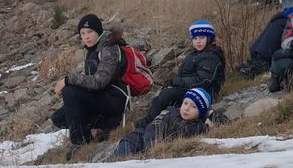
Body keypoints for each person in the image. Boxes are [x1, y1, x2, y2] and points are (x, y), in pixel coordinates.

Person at [51, 14, 128, 160]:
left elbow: (100, 81)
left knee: (69, 91)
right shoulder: (93, 49)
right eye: (83, 33)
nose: (87, 37)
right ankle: (103, 126)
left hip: (115, 98)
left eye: (90, 32)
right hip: (100, 98)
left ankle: (80, 142)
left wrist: (69, 79)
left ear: (98, 31)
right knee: (58, 118)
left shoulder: (108, 48)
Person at [134, 20, 225, 128]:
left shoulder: (210, 57)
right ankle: (157, 120)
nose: (198, 41)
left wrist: (176, 82)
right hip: (190, 89)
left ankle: (148, 122)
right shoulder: (195, 54)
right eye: (195, 38)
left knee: (167, 94)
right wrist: (172, 83)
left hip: (204, 92)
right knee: (164, 94)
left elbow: (203, 81)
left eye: (202, 38)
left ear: (209, 38)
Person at [114, 88, 212, 157]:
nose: (186, 108)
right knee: (125, 147)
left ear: (201, 113)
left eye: (193, 106)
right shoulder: (171, 114)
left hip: (156, 144)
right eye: (185, 103)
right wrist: (151, 149)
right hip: (143, 136)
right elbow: (152, 129)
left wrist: (211, 113)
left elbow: (186, 130)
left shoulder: (195, 125)